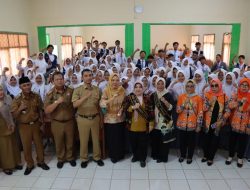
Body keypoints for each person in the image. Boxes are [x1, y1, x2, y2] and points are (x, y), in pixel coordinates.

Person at [10, 76, 49, 175]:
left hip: (36, 124)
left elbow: (40, 109)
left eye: (28, 85)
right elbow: (13, 115)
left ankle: (41, 162)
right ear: (20, 87)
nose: (27, 87)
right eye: (24, 85)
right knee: (27, 147)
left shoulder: (36, 96)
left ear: (31, 85)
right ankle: (30, 165)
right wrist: (20, 108)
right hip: (24, 126)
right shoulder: (17, 99)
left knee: (39, 145)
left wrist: (42, 123)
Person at [72, 69, 104, 168]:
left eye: (90, 75)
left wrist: (101, 119)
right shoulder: (78, 90)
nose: (88, 77)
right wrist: (85, 97)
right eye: (86, 76)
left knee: (96, 140)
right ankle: (84, 159)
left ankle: (97, 157)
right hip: (82, 118)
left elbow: (100, 105)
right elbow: (74, 105)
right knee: (83, 140)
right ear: (82, 77)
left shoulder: (97, 89)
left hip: (95, 117)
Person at [44, 71, 76, 169]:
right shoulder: (50, 94)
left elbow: (75, 104)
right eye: (57, 79)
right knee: (58, 142)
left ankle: (70, 158)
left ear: (64, 79)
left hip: (70, 121)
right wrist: (57, 102)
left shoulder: (71, 90)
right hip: (56, 122)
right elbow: (47, 110)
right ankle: (61, 159)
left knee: (70, 141)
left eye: (61, 79)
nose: (59, 81)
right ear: (53, 81)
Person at [122, 81, 154, 167]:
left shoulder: (147, 98)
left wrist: (151, 123)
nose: (138, 89)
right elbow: (124, 109)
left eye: (140, 87)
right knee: (133, 143)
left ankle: (142, 159)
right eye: (136, 87)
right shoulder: (129, 98)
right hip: (132, 125)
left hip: (144, 126)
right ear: (134, 88)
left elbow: (151, 111)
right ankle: (135, 156)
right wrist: (132, 108)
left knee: (143, 144)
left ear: (143, 88)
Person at [202, 79, 230, 166]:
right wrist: (210, 102)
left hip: (217, 123)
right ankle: (205, 155)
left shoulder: (225, 96)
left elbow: (228, 110)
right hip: (207, 122)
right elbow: (204, 109)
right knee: (206, 140)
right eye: (212, 86)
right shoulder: (207, 95)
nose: (214, 87)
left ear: (219, 86)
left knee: (214, 140)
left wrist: (222, 120)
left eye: (216, 85)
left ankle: (211, 158)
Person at [100, 73, 126, 163]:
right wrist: (111, 99)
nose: (115, 82)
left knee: (119, 136)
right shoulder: (106, 90)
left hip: (120, 117)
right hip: (110, 118)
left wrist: (122, 109)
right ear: (110, 81)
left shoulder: (122, 90)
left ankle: (120, 154)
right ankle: (113, 155)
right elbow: (102, 104)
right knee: (112, 137)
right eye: (113, 80)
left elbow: (125, 102)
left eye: (117, 80)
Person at [176, 80, 203, 164]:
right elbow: (177, 110)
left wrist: (199, 125)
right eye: (187, 86)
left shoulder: (198, 98)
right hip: (182, 123)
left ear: (194, 87)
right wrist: (183, 104)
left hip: (192, 124)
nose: (189, 88)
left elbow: (200, 112)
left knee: (191, 142)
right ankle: (182, 155)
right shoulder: (181, 97)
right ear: (185, 87)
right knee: (182, 141)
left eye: (191, 86)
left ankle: (190, 156)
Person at [225, 78, 250, 167]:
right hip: (234, 122)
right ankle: (230, 156)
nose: (244, 87)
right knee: (232, 140)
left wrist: (249, 126)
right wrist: (239, 102)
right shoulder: (235, 95)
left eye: (246, 85)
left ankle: (240, 158)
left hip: (245, 123)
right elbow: (230, 106)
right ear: (239, 86)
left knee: (243, 141)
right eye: (242, 85)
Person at [150, 77, 175, 163]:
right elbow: (150, 108)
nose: (160, 86)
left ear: (164, 84)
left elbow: (171, 108)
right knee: (155, 139)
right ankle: (155, 154)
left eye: (162, 84)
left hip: (165, 121)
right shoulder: (153, 95)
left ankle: (163, 157)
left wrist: (165, 102)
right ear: (155, 84)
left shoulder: (168, 95)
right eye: (158, 84)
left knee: (164, 140)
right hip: (155, 121)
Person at [0, 85, 22, 175]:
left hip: (12, 124)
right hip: (2, 128)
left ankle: (16, 163)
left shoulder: (8, 98)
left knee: (14, 145)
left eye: (1, 90)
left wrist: (12, 123)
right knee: (5, 148)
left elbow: (12, 110)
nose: (0, 92)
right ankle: (7, 166)